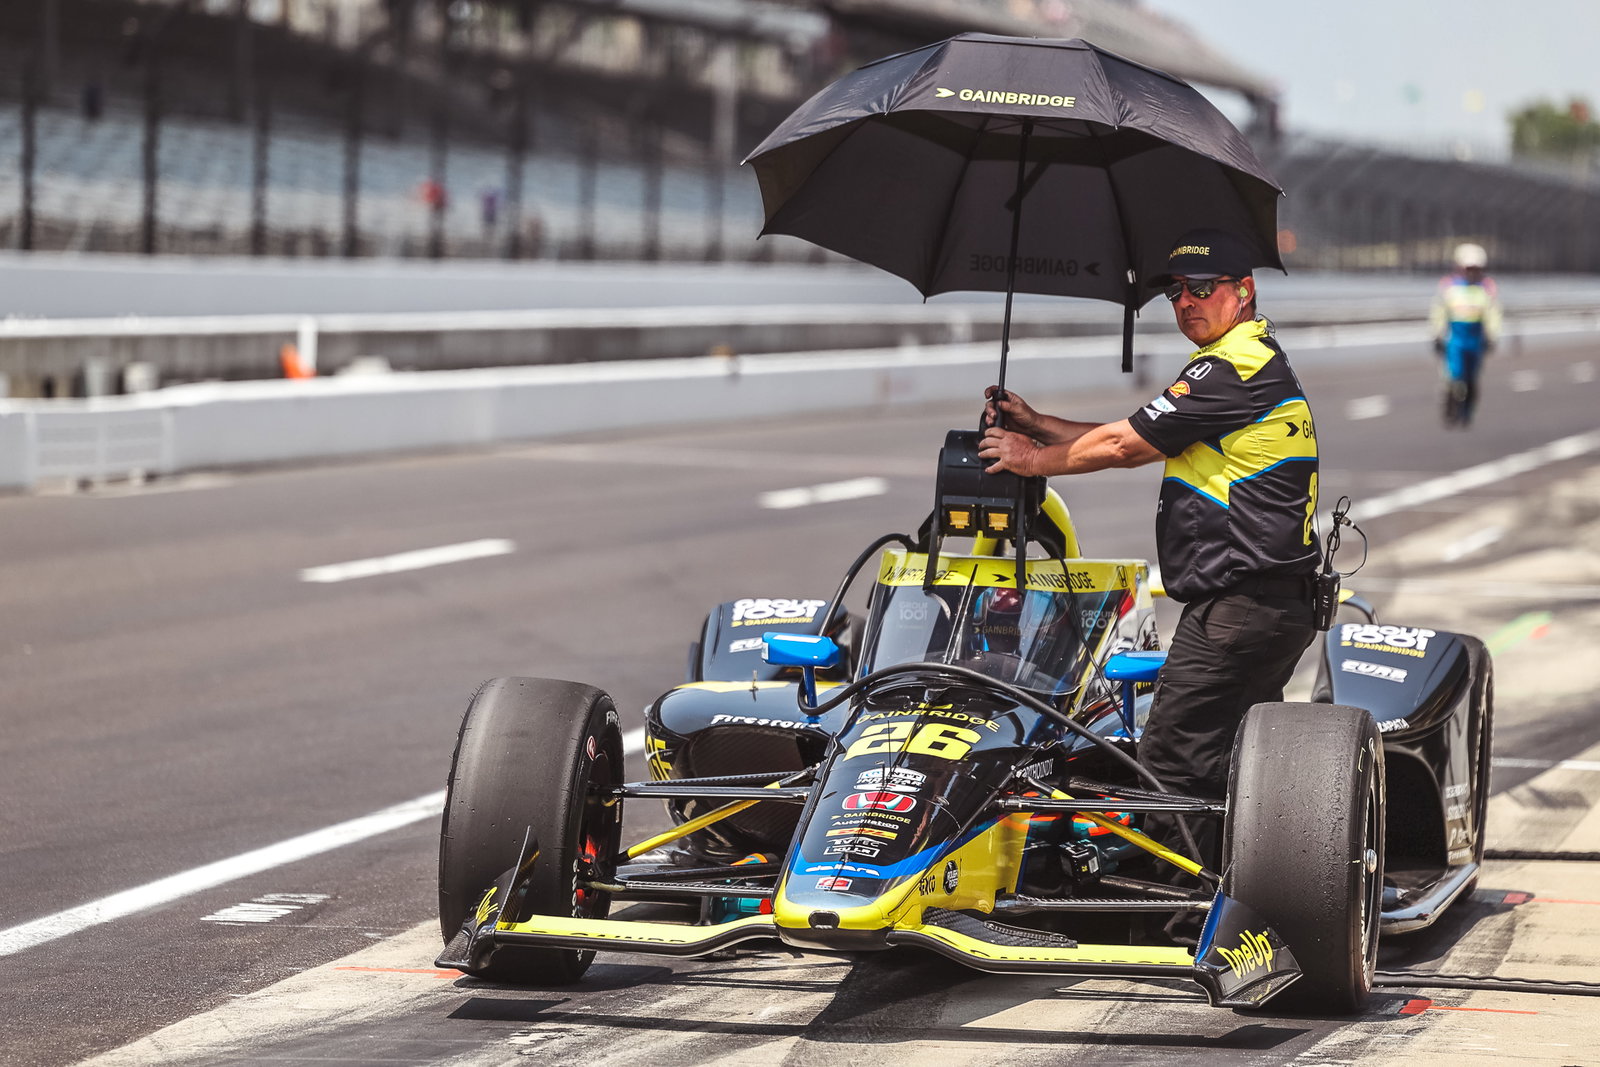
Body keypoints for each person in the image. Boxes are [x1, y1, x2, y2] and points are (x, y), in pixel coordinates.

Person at [977, 228, 1320, 924]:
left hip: (1240, 604)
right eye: (1176, 292)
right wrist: (1039, 423)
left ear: (1243, 292)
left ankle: (1178, 910)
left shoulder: (1229, 369)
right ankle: (1243, 896)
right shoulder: (1248, 365)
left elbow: (1123, 445)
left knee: (1173, 756)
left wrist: (1029, 458)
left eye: (1204, 290)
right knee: (1232, 759)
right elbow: (1135, 428)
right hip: (1268, 602)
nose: (1187, 303)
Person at [1430, 242, 1502, 428]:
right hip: (1456, 337)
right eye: (1469, 268)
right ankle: (1450, 407)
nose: (1472, 272)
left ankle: (1466, 412)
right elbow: (1439, 311)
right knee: (1453, 375)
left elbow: (1493, 314)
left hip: (1475, 338)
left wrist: (1492, 335)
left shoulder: (1486, 288)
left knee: (1471, 377)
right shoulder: (1450, 286)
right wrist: (1437, 334)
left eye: (1475, 268)